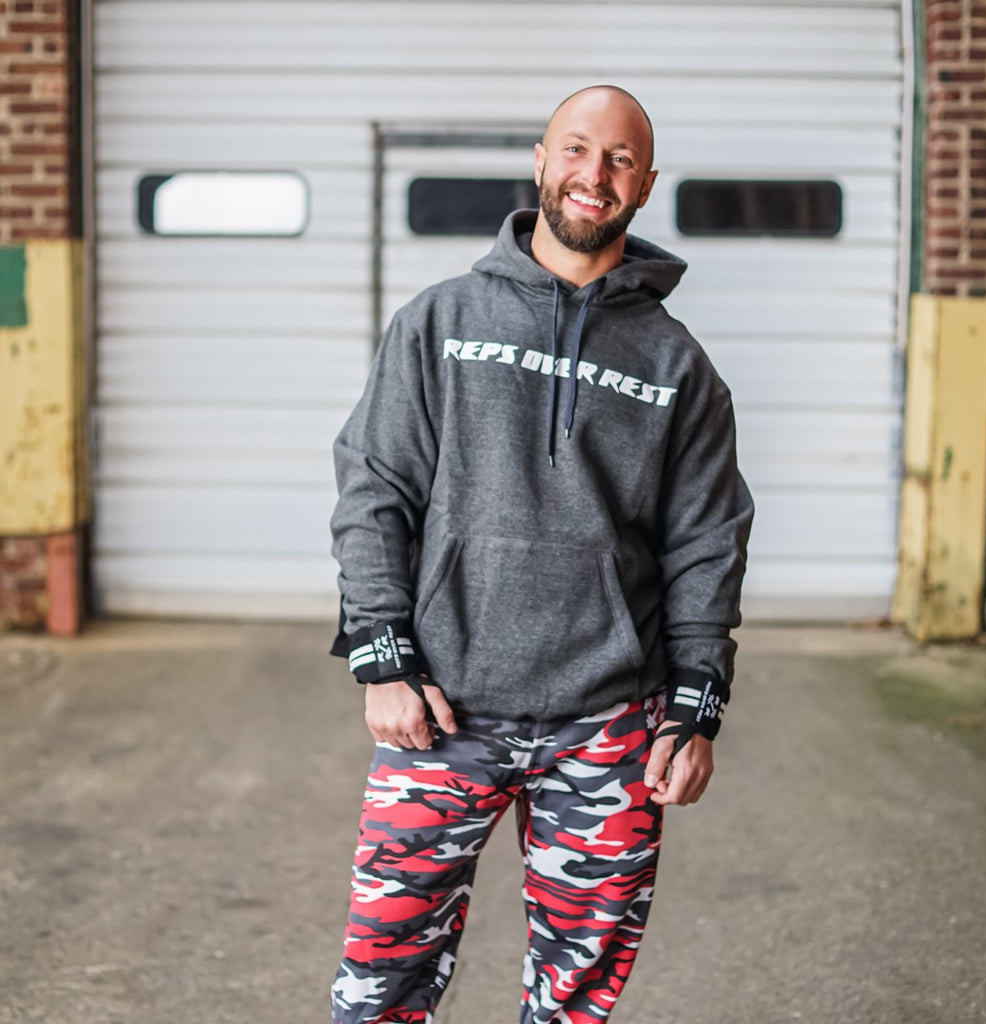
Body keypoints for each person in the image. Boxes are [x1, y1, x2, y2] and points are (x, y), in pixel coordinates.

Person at [328, 84, 754, 1024]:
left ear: (645, 185)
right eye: (576, 149)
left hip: (609, 722)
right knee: (381, 974)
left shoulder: (678, 366)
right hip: (442, 708)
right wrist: (381, 657)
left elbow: (706, 545)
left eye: (620, 159)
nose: (594, 174)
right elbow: (374, 492)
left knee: (575, 996)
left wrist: (697, 709)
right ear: (540, 161)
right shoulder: (440, 322)